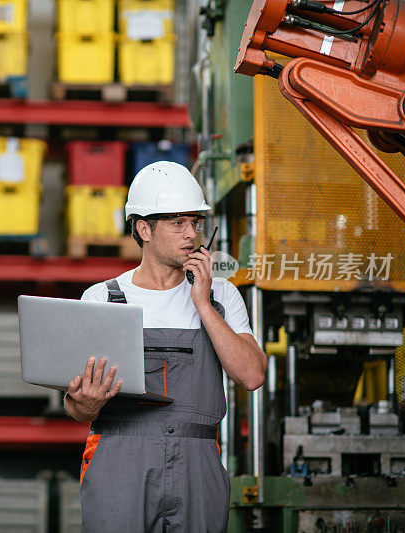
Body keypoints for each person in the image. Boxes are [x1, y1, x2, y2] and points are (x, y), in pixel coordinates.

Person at [64, 161, 267, 532]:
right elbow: (75, 407)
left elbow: (252, 375)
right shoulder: (102, 298)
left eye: (195, 222)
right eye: (177, 223)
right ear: (144, 228)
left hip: (197, 458)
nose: (191, 234)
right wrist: (87, 403)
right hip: (119, 456)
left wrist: (203, 303)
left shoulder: (221, 296)